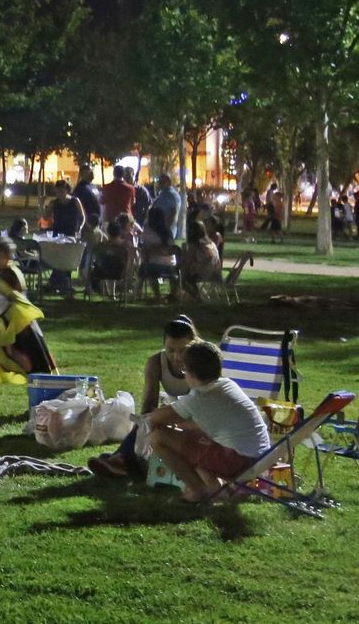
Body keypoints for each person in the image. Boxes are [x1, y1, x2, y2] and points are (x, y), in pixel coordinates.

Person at [147, 340, 271, 503]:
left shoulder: (198, 398)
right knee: (197, 445)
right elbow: (207, 425)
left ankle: (199, 491)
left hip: (240, 461)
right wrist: (181, 426)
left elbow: (155, 418)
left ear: (187, 371)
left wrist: (165, 423)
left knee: (157, 438)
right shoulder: (228, 385)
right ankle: (218, 493)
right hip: (260, 456)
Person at [89, 316, 198, 476]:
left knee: (156, 419)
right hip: (179, 411)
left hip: (199, 417)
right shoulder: (156, 363)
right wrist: (155, 417)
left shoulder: (202, 362)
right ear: (163, 346)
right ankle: (123, 459)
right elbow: (148, 404)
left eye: (183, 350)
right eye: (171, 350)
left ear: (194, 346)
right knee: (147, 419)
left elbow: (204, 402)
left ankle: (123, 461)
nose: (177, 357)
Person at [0, 237, 56, 410]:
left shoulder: (12, 274)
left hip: (20, 329)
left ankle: (41, 403)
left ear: (9, 256)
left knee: (32, 365)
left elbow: (18, 301)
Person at [139, 206, 180, 300]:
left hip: (154, 263)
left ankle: (157, 295)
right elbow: (172, 247)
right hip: (171, 264)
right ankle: (174, 293)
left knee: (147, 269)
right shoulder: (168, 231)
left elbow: (147, 249)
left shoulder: (148, 231)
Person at [179, 219, 222, 301]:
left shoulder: (196, 244)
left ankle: (198, 297)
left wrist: (184, 252)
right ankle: (202, 295)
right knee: (187, 273)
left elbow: (188, 260)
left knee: (182, 278)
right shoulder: (211, 242)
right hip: (215, 273)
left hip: (203, 273)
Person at [153, 174, 182, 240]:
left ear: (169, 182)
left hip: (166, 229)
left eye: (162, 182)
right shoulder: (162, 193)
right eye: (159, 182)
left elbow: (173, 212)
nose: (160, 184)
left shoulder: (171, 195)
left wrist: (167, 228)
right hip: (160, 227)